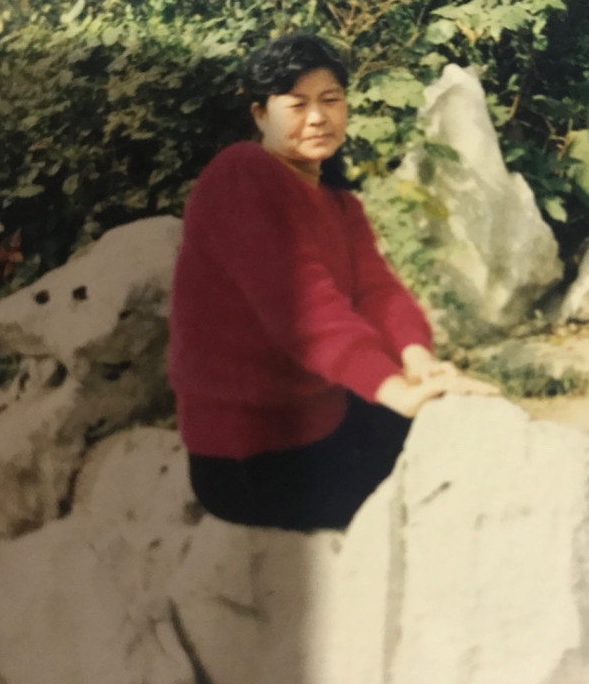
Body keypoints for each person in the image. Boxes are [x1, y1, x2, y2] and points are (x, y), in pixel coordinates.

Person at [168, 33, 498, 531]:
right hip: (252, 458)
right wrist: (393, 390)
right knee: (452, 497)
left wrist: (419, 361)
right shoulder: (242, 175)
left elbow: (378, 292)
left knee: (473, 444)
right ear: (260, 114)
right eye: (297, 105)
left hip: (327, 420)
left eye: (330, 100)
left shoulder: (339, 202)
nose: (318, 117)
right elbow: (305, 310)